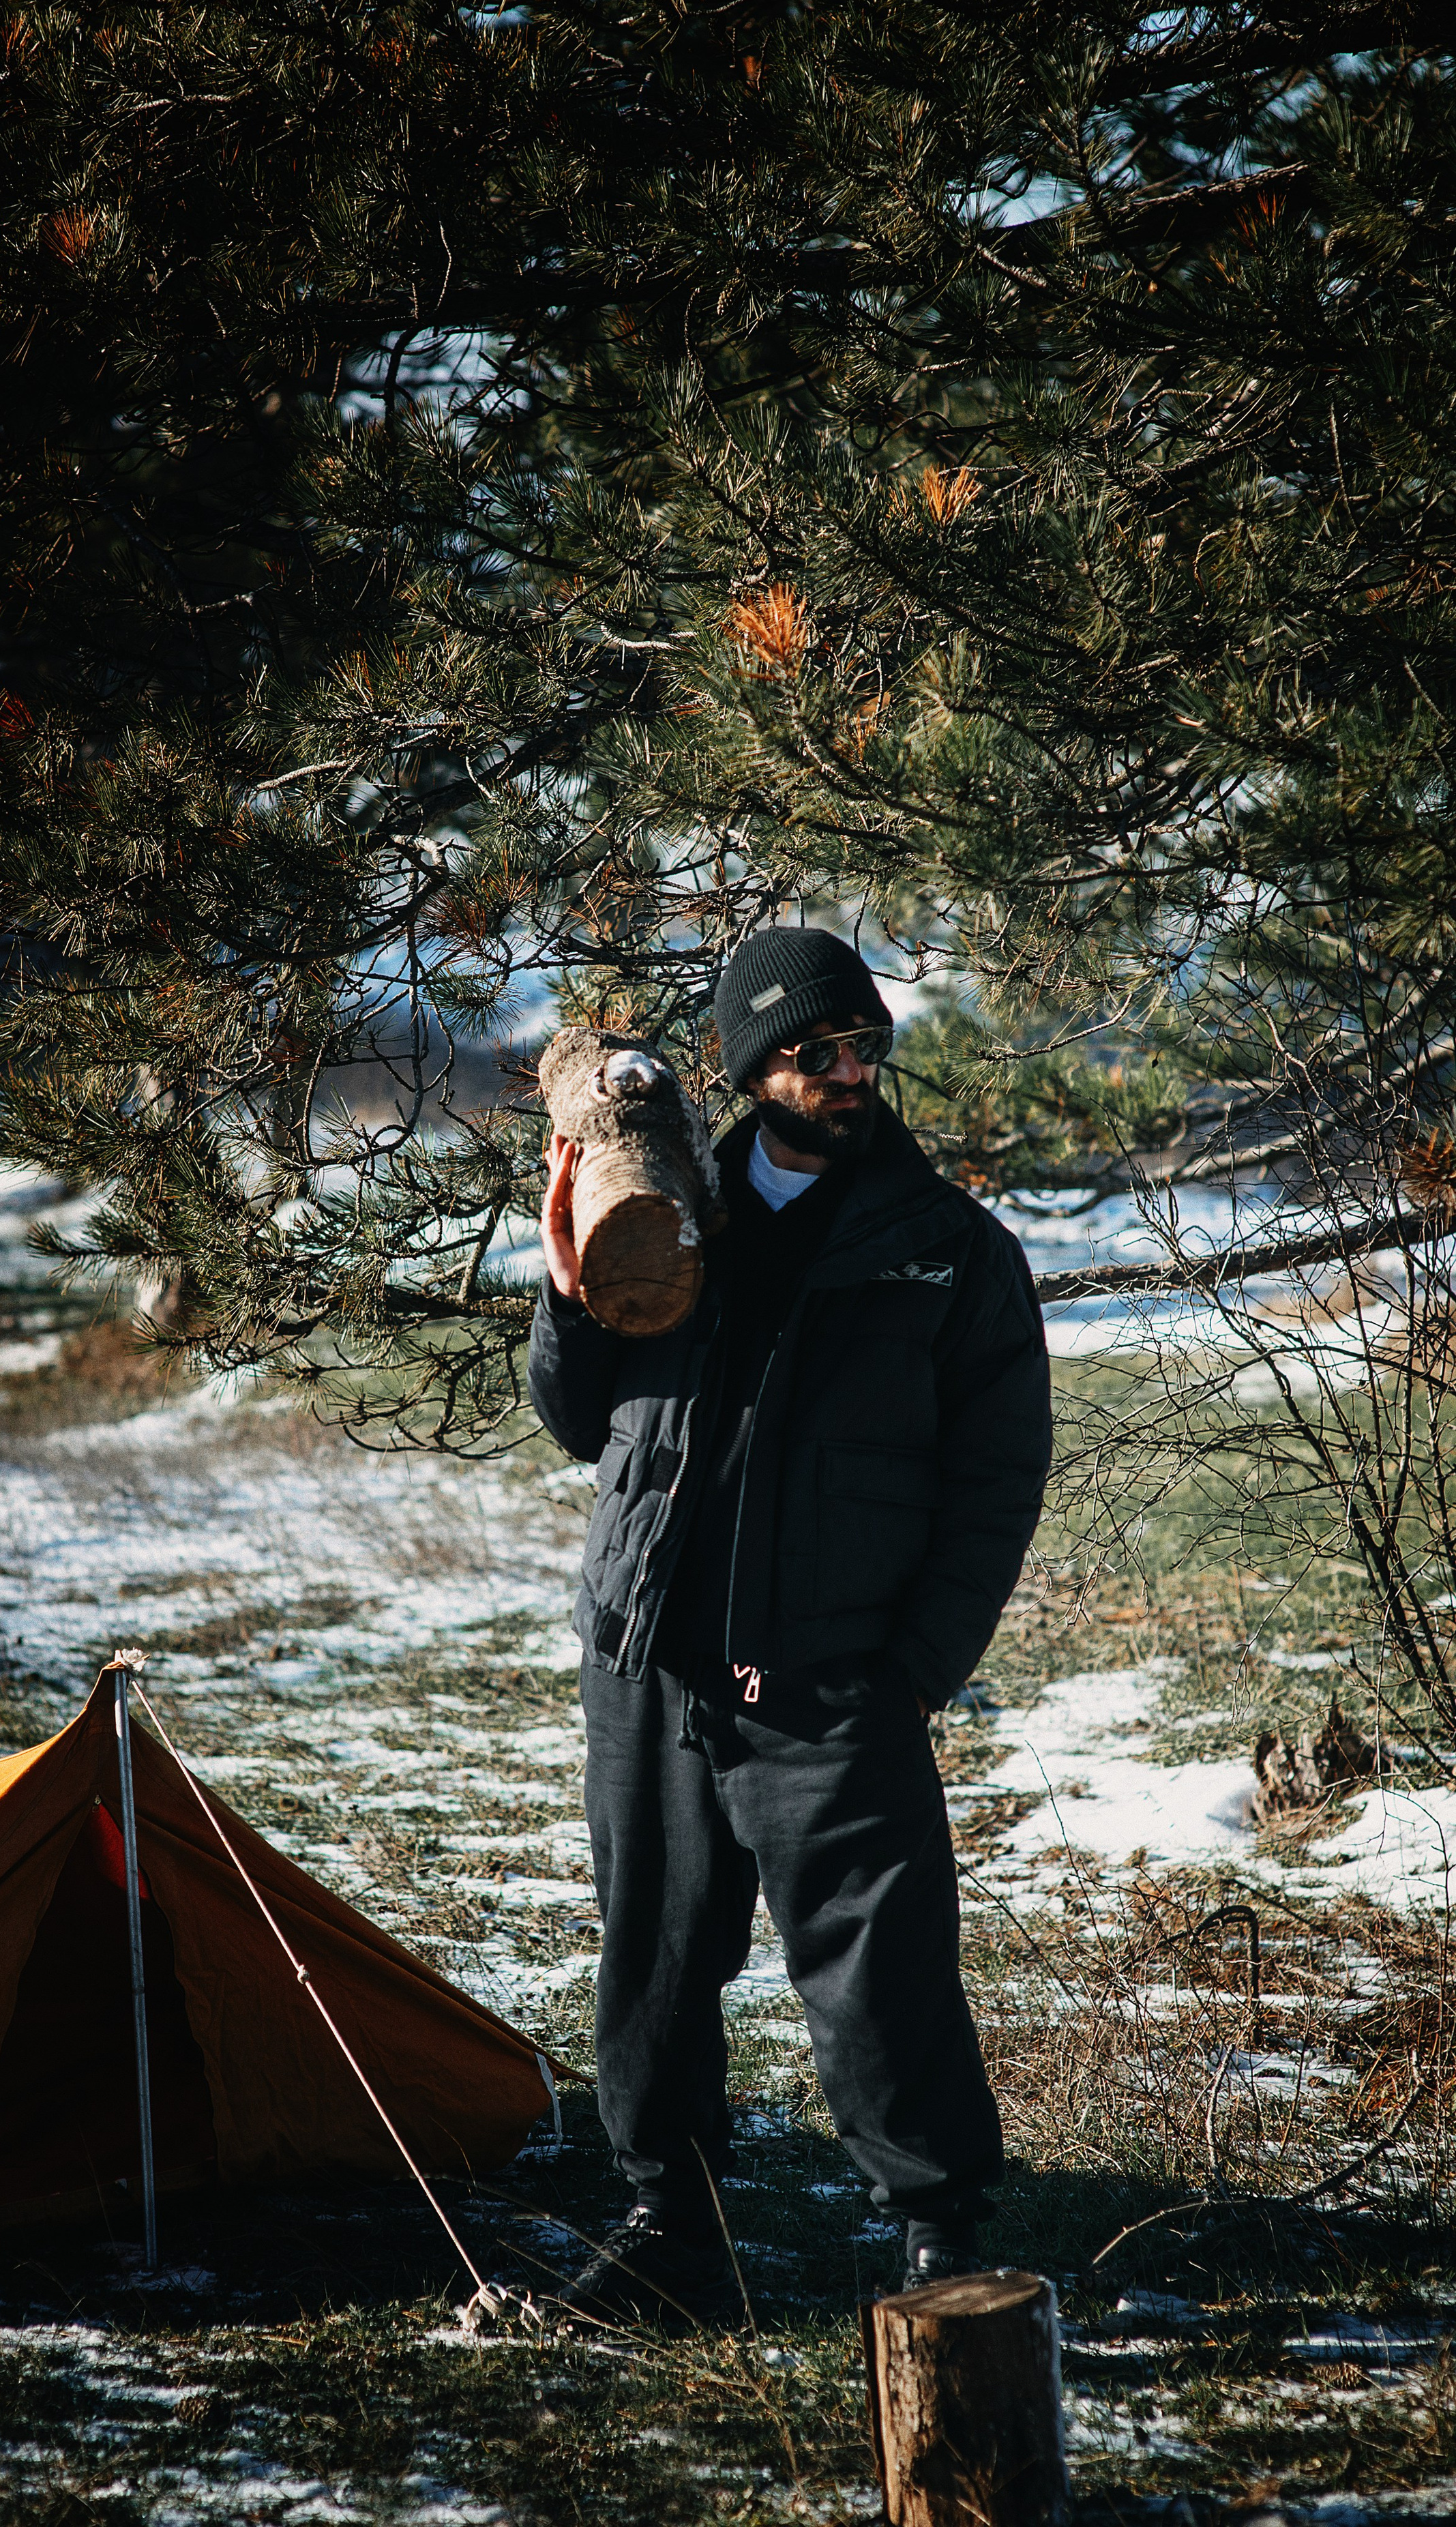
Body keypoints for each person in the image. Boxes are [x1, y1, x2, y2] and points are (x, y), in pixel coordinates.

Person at [527, 928, 1052, 2322]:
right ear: (752, 1066)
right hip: (651, 1659)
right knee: (650, 1958)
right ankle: (670, 2231)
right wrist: (567, 1286)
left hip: (828, 1679)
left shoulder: (943, 1253)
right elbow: (579, 1419)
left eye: (863, 1044)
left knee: (878, 1965)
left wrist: (909, 1676)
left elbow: (994, 1486)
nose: (846, 1071)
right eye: (815, 1051)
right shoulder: (669, 1212)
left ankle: (940, 2240)